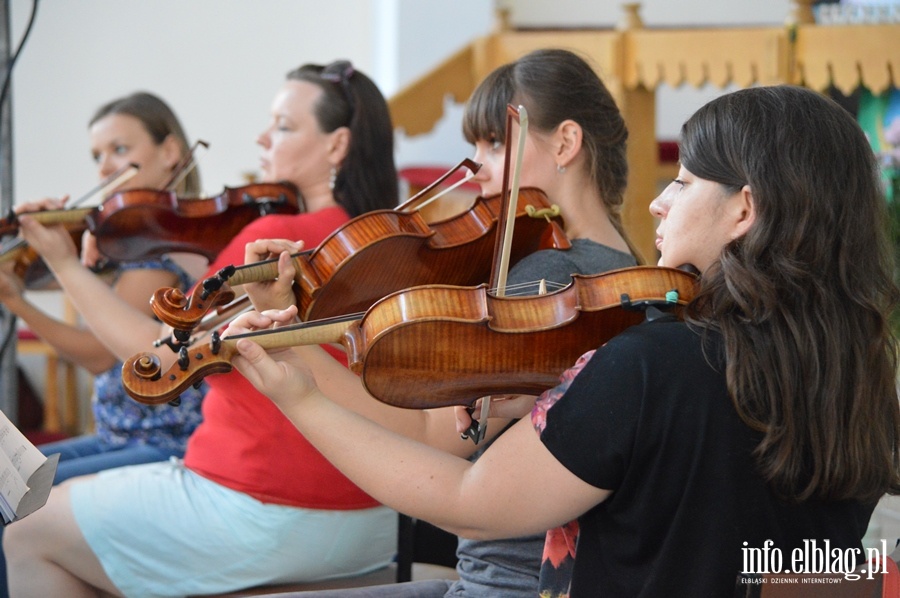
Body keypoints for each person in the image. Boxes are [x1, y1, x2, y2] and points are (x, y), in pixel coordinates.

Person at [225, 84, 900, 597]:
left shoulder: (649, 364)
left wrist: (300, 397)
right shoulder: (864, 378)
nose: (662, 202)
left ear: (743, 211)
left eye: (686, 182)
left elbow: (474, 504)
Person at [229, 48, 640, 598]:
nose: (475, 169)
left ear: (566, 143)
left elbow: (431, 437)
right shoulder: (626, 268)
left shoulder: (549, 280)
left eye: (495, 143)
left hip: (503, 585)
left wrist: (289, 350)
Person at [3, 61, 401, 597]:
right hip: (372, 515)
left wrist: (66, 265)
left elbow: (160, 358)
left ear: (337, 146)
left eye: (282, 126)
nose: (262, 137)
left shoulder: (274, 235)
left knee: (27, 529)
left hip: (260, 502)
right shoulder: (380, 243)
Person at [0, 91, 206, 485]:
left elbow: (97, 355)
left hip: (164, 443)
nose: (104, 168)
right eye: (97, 156)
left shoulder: (163, 254)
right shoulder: (132, 245)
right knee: (7, 479)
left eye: (119, 149)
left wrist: (16, 300)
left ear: (170, 152)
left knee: (19, 495)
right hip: (120, 437)